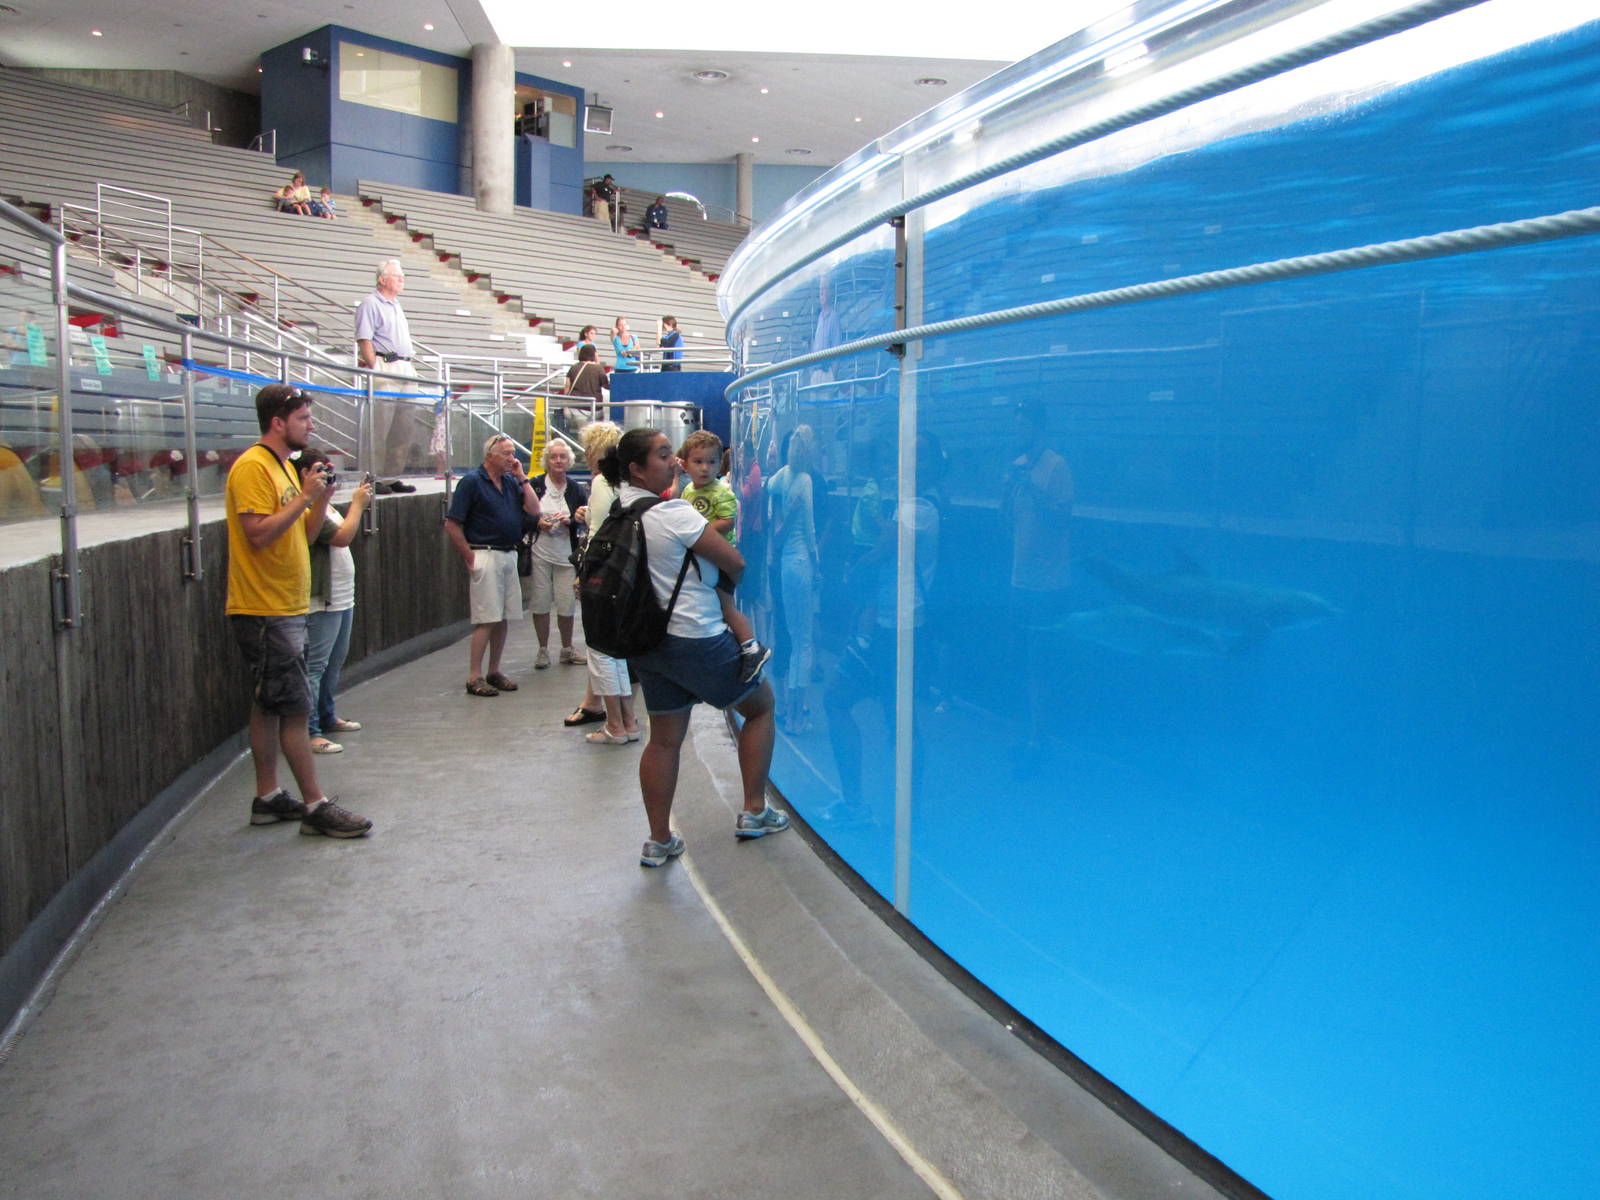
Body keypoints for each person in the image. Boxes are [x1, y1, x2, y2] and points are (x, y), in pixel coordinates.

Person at [596, 428, 789, 866]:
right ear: (637, 468)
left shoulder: (619, 510)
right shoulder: (674, 512)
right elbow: (734, 560)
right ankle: (755, 810)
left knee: (664, 739)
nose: (674, 462)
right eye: (663, 455)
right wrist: (727, 590)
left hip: (649, 644)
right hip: (696, 638)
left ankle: (659, 839)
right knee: (760, 707)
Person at [225, 384, 373, 838]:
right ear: (278, 421)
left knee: (269, 703)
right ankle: (314, 805)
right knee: (293, 708)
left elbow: (305, 536)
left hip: (285, 602)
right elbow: (258, 533)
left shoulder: (282, 468)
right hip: (265, 604)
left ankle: (268, 796)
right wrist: (305, 498)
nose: (310, 426)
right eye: (304, 419)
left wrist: (319, 498)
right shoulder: (253, 466)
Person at [444, 434, 541, 696]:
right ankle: (474, 675)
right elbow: (452, 523)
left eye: (513, 453)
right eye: (506, 454)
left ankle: (494, 670)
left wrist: (522, 478)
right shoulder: (473, 482)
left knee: (503, 617)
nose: (512, 458)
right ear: (490, 456)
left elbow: (534, 509)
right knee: (486, 617)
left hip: (509, 553)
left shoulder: (510, 481)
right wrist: (469, 556)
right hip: (484, 553)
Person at [567, 420, 644, 745]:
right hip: (626, 575)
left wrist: (582, 573)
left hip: (603, 576)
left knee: (602, 650)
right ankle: (626, 719)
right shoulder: (626, 484)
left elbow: (599, 535)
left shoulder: (601, 482)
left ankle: (615, 723)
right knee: (618, 649)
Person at [294, 447, 374, 755]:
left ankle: (326, 715)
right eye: (319, 470)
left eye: (328, 469)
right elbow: (341, 536)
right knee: (315, 665)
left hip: (342, 596)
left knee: (334, 662)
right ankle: (310, 729)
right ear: (304, 474)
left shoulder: (324, 506)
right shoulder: (307, 507)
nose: (327, 475)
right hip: (321, 599)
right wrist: (357, 505)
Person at [678, 430, 769, 682]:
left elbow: (728, 522)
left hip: (719, 557)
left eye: (711, 462)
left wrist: (697, 534)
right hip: (700, 558)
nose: (705, 468)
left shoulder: (722, 492)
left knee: (727, 606)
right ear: (685, 465)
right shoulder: (688, 492)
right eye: (698, 462)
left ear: (721, 463)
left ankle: (751, 646)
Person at [766, 424, 820, 733]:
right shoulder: (805, 480)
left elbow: (768, 489)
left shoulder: (780, 478)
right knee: (804, 641)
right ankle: (798, 714)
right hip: (802, 563)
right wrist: (818, 567)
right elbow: (810, 529)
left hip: (786, 565)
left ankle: (789, 708)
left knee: (791, 633)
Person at [355, 259, 430, 475]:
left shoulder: (396, 305)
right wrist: (374, 367)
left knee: (402, 429)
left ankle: (390, 476)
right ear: (382, 279)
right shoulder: (371, 303)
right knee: (380, 427)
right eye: (397, 275)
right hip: (385, 365)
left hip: (405, 366)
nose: (402, 279)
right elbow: (365, 339)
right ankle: (372, 477)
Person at [529, 440, 588, 670]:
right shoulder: (535, 486)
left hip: (566, 554)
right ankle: (542, 649)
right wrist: (538, 522)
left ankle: (567, 648)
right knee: (541, 602)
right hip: (540, 553)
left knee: (567, 603)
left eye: (563, 456)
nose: (558, 461)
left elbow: (584, 519)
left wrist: (571, 521)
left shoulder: (575, 489)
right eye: (554, 457)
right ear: (547, 461)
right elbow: (523, 515)